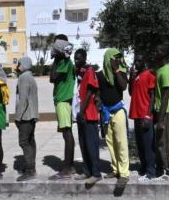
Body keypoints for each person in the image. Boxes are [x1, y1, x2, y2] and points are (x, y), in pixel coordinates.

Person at [99, 48, 131, 181]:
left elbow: (123, 86)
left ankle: (124, 173)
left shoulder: (121, 73)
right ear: (108, 59)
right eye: (115, 58)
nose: (117, 60)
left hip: (118, 111)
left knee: (121, 142)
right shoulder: (100, 75)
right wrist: (100, 112)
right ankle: (115, 169)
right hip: (105, 112)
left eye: (119, 57)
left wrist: (116, 70)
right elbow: (98, 94)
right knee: (110, 142)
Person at [50, 37, 77, 178]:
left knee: (67, 134)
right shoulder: (63, 61)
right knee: (66, 133)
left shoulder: (65, 62)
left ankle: (67, 168)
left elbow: (52, 77)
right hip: (62, 100)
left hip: (63, 101)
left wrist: (54, 58)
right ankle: (69, 166)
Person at [74, 47, 102, 179]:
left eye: (78, 58)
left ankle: (96, 173)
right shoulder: (80, 72)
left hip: (88, 113)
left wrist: (82, 111)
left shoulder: (89, 71)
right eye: (74, 58)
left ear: (84, 58)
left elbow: (90, 92)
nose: (75, 60)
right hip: (81, 114)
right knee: (83, 143)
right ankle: (87, 171)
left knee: (91, 144)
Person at [129, 53, 158, 179]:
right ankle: (143, 167)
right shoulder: (137, 76)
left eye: (139, 61)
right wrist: (131, 78)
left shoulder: (149, 75)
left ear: (144, 62)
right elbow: (131, 92)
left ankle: (151, 171)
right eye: (135, 61)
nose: (137, 63)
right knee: (140, 143)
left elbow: (153, 95)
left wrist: (148, 115)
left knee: (148, 144)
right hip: (136, 114)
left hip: (145, 115)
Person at [153, 45, 169, 178]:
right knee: (161, 142)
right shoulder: (160, 70)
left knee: (166, 142)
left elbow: (166, 95)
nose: (156, 52)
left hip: (167, 111)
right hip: (163, 111)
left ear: (165, 55)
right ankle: (164, 168)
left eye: (159, 50)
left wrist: (161, 119)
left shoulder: (166, 71)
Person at [14, 56, 39, 181]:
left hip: (25, 116)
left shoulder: (23, 78)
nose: (17, 67)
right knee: (30, 140)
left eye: (19, 64)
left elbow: (22, 99)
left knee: (24, 142)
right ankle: (31, 166)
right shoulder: (31, 76)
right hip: (32, 114)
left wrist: (17, 117)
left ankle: (30, 170)